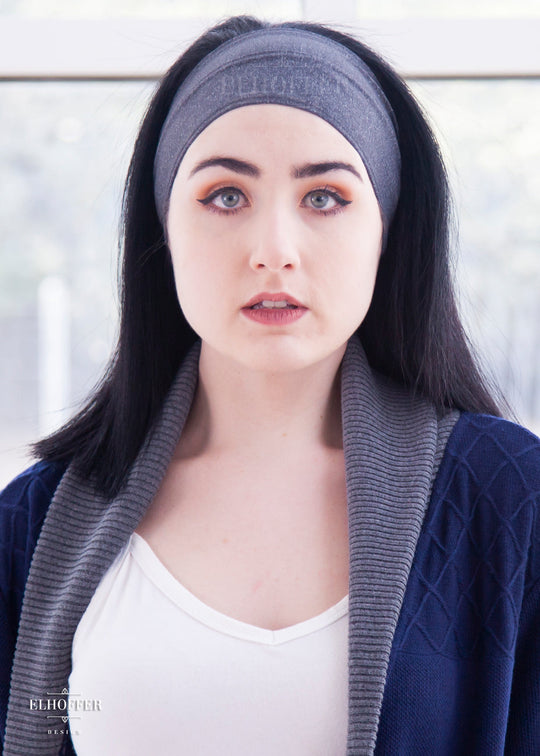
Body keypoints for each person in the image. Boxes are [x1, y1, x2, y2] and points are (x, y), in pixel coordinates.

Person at [1, 14, 539, 756]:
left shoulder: (512, 500)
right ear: (164, 227)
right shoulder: (34, 522)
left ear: (388, 230)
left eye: (324, 198)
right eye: (226, 196)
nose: (274, 251)